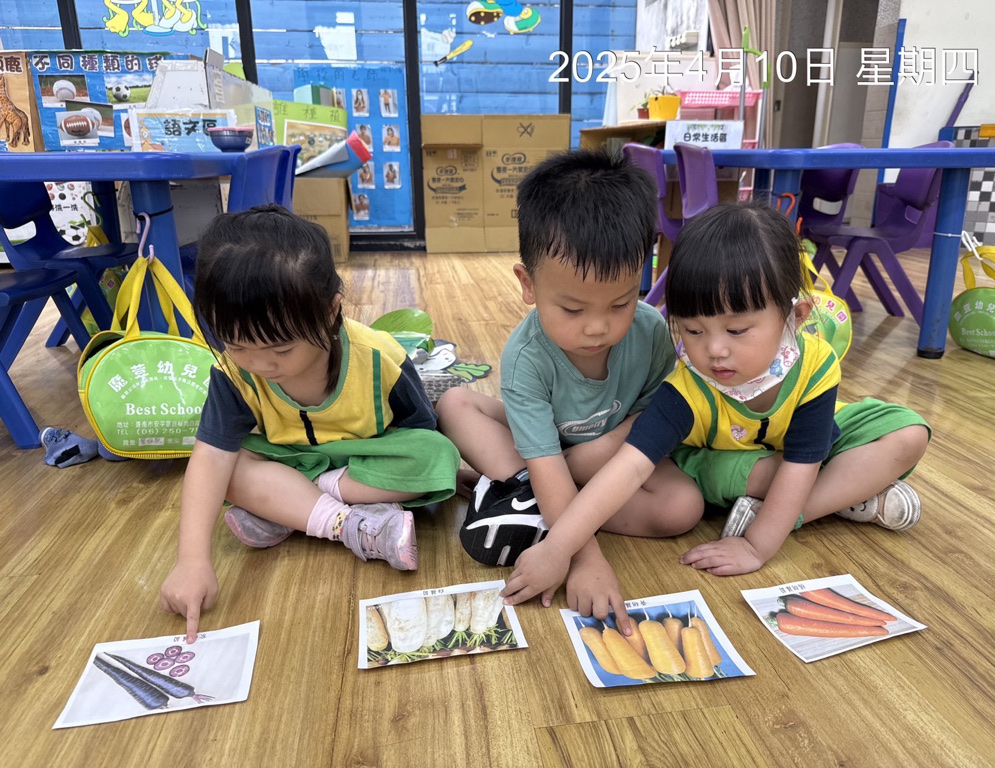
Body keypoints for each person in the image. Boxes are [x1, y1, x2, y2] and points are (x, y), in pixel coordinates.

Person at [502, 203, 931, 609]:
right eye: (693, 330)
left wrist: (756, 544)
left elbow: (806, 459)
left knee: (908, 434)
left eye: (737, 330)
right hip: (726, 463)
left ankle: (780, 513)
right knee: (781, 473)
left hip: (796, 458)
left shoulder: (816, 364)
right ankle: (838, 498)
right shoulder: (686, 388)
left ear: (795, 317)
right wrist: (559, 549)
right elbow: (629, 467)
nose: (715, 351)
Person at [160, 205, 460, 642]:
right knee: (224, 467)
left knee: (437, 456)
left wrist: (438, 470)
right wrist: (191, 561)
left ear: (330, 310)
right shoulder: (232, 373)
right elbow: (210, 458)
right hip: (285, 461)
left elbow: (422, 435)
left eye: (281, 349)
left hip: (361, 464)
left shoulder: (380, 358)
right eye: (236, 345)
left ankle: (290, 508)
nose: (259, 364)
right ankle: (345, 524)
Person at [436, 149, 699, 623]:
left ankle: (523, 496)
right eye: (573, 310)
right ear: (528, 284)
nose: (597, 327)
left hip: (612, 459)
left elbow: (651, 427)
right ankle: (541, 493)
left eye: (620, 304)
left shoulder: (651, 332)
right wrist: (585, 557)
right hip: (539, 451)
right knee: (454, 403)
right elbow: (542, 456)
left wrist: (578, 467)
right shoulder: (526, 356)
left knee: (683, 507)